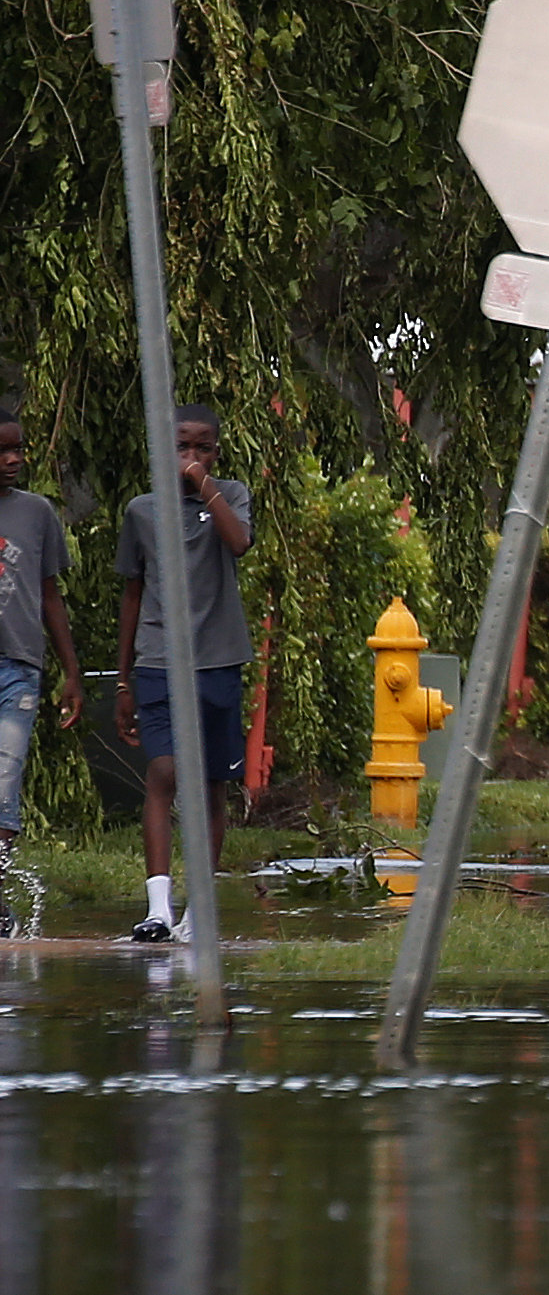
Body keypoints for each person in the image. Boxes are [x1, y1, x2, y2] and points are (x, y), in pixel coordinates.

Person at [115, 405, 254, 945]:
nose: (191, 458)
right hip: (157, 659)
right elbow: (131, 592)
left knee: (211, 783)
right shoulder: (143, 512)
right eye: (181, 449)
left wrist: (204, 486)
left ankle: (200, 909)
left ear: (216, 453)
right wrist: (123, 679)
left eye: (203, 449)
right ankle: (157, 908)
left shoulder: (231, 495)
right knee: (166, 774)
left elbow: (238, 542)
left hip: (218, 659)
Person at [0, 411, 84, 933]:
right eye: (1, 452)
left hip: (19, 668)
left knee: (4, 782)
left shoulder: (37, 513)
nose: (13, 460)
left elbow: (50, 596)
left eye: (18, 450)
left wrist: (71, 673)